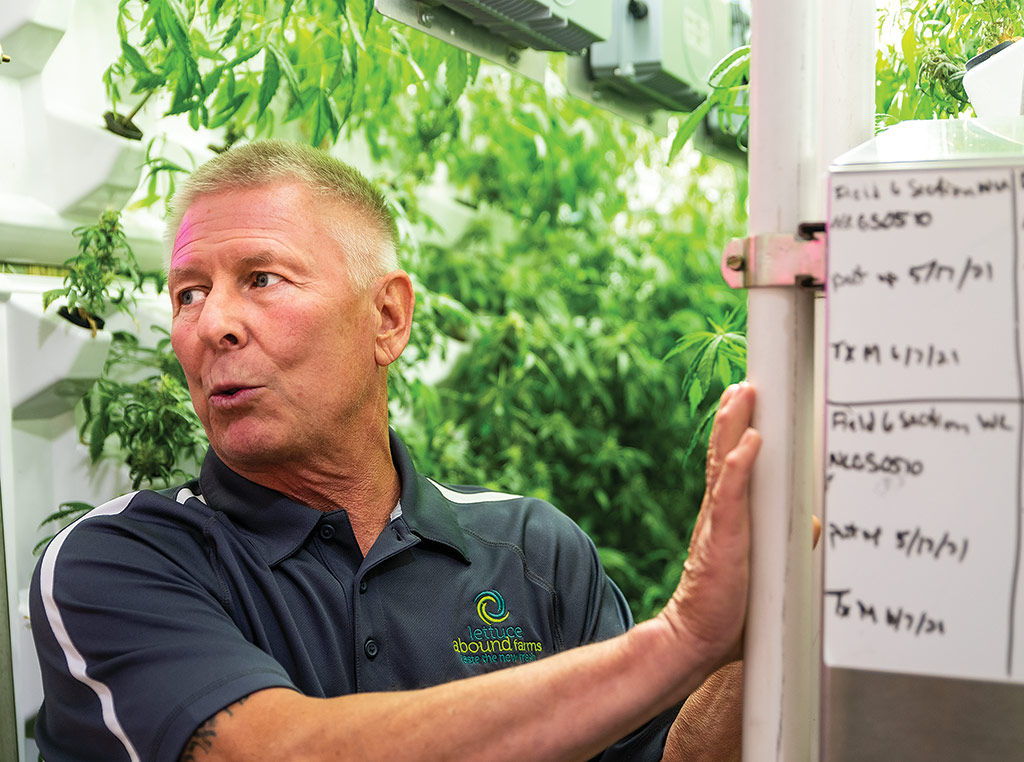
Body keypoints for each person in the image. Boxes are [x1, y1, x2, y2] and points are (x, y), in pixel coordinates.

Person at [30, 140, 762, 762]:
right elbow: (278, 750)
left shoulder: (534, 553)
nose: (212, 322)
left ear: (387, 317)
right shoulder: (118, 561)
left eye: (261, 278)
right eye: (189, 292)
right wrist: (680, 640)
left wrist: (752, 626)